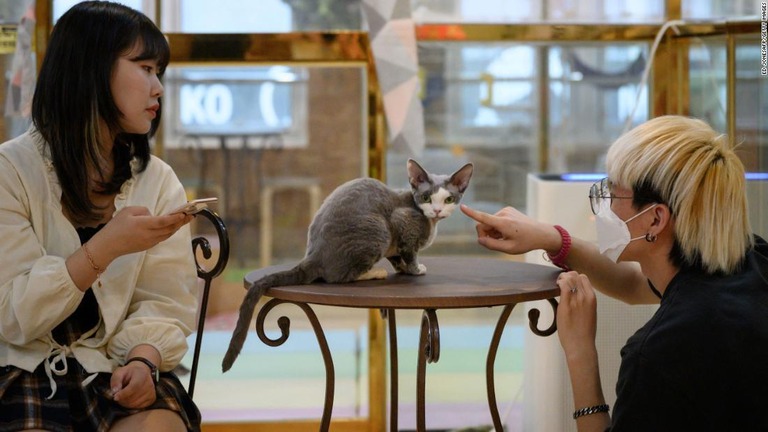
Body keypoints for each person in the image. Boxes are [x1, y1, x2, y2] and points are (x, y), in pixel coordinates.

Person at [461, 115, 768, 431]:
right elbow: (636, 285)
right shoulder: (750, 261)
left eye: (613, 193)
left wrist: (580, 352)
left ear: (655, 219)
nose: (602, 207)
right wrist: (552, 238)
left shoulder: (660, 352)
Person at [0, 2, 201, 431]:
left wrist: (145, 361)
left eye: (158, 71)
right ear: (90, 70)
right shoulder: (10, 171)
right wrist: (107, 246)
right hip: (19, 369)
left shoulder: (158, 180)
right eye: (145, 68)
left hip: (115, 367)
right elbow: (13, 316)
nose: (158, 87)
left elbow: (165, 302)